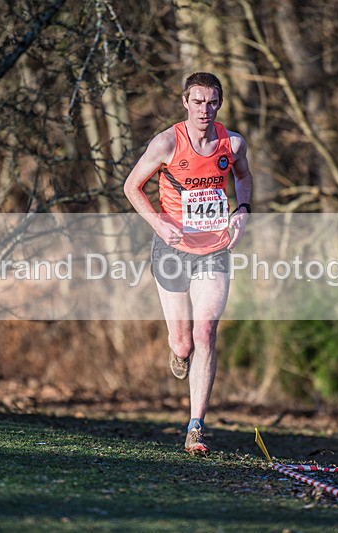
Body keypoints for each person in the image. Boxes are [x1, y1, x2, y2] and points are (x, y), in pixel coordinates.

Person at [123, 72, 253, 456]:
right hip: (172, 250)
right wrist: (157, 221)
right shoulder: (166, 142)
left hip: (214, 248)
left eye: (212, 102)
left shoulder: (232, 143)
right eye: (197, 101)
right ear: (185, 102)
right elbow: (132, 186)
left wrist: (242, 210)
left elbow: (243, 178)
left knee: (205, 333)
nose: (204, 109)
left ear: (220, 104)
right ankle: (177, 353)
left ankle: (195, 427)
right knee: (182, 343)